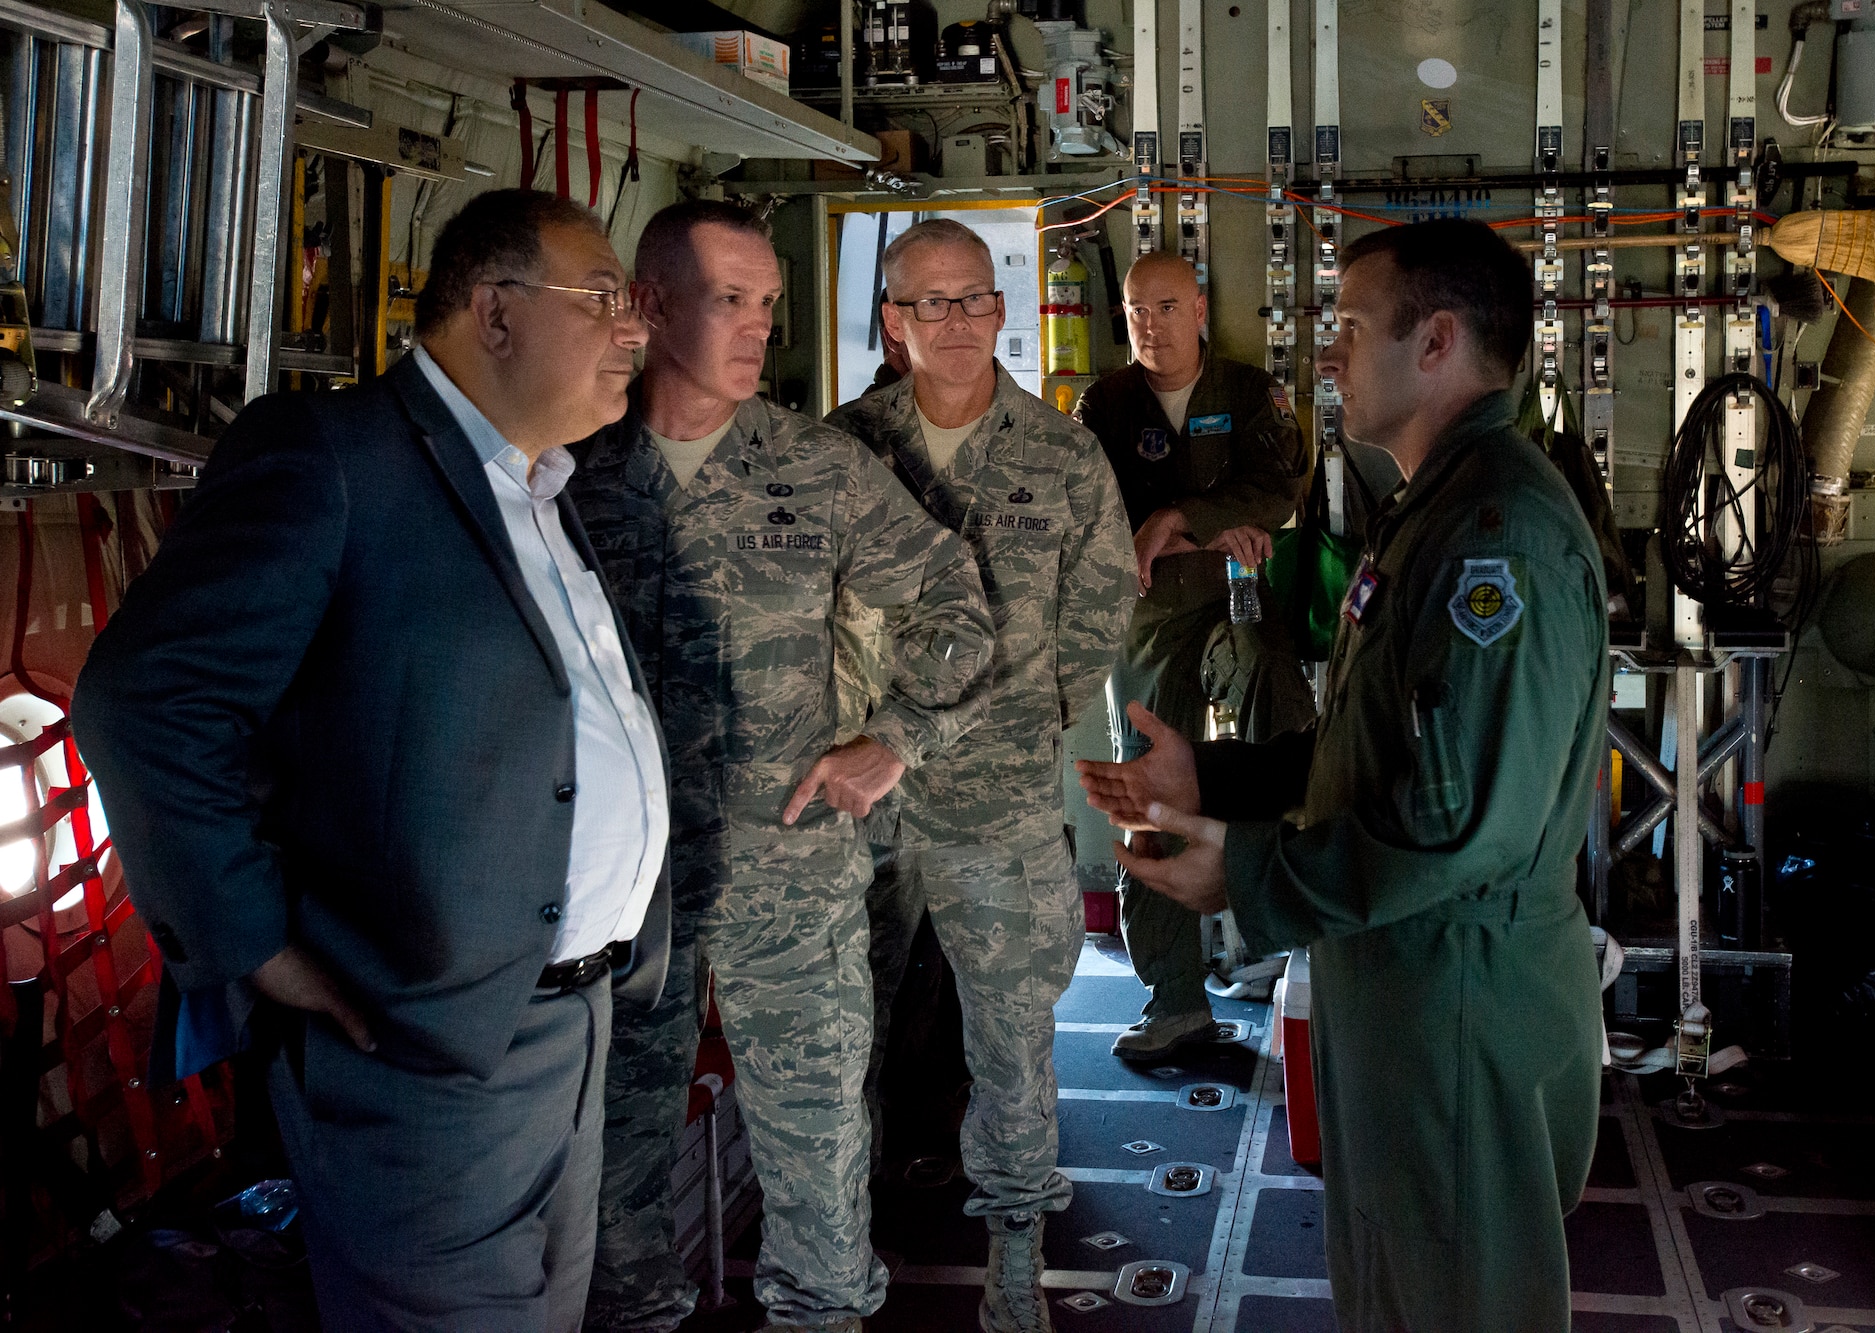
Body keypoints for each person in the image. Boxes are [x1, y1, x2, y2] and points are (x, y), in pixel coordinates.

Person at [71, 190, 666, 1331]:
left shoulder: (541, 484)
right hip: (420, 1043)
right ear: (494, 314)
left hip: (570, 1026)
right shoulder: (332, 459)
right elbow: (148, 697)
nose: (633, 329)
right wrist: (252, 941)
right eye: (602, 298)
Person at [1076, 218, 1609, 1333]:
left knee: (1458, 1300)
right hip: (1400, 983)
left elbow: (1455, 828)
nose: (1328, 356)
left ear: (1437, 343)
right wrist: (1213, 777)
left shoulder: (1491, 537)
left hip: (1456, 1006)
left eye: (1353, 329)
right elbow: (1369, 749)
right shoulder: (1429, 508)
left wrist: (1251, 879)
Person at [569, 201, 994, 1333]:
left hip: (787, 871)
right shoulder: (564, 470)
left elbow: (959, 611)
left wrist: (893, 740)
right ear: (650, 305)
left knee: (814, 1143)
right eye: (729, 299)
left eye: (767, 303)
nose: (758, 327)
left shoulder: (818, 468)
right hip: (619, 894)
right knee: (614, 1153)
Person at [826, 218, 1137, 1333]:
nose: (955, 322)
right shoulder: (839, 447)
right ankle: (835, 1234)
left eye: (972, 299)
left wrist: (1034, 715)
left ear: (1001, 310)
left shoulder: (1061, 454)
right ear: (892, 320)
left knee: (1009, 1032)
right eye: (928, 303)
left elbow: (1101, 602)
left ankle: (1013, 1239)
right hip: (859, 792)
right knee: (832, 1022)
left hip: (996, 793)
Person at [1072, 250, 1316, 1061]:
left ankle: (1292, 937)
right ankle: (1174, 999)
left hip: (1236, 594)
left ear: (1201, 310)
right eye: (1138, 311)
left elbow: (1279, 487)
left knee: (1283, 727)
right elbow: (1089, 508)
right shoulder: (1103, 404)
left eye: (1168, 308)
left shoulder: (1247, 393)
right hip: (1145, 618)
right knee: (1141, 787)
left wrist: (1179, 517)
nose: (1151, 325)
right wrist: (1198, 522)